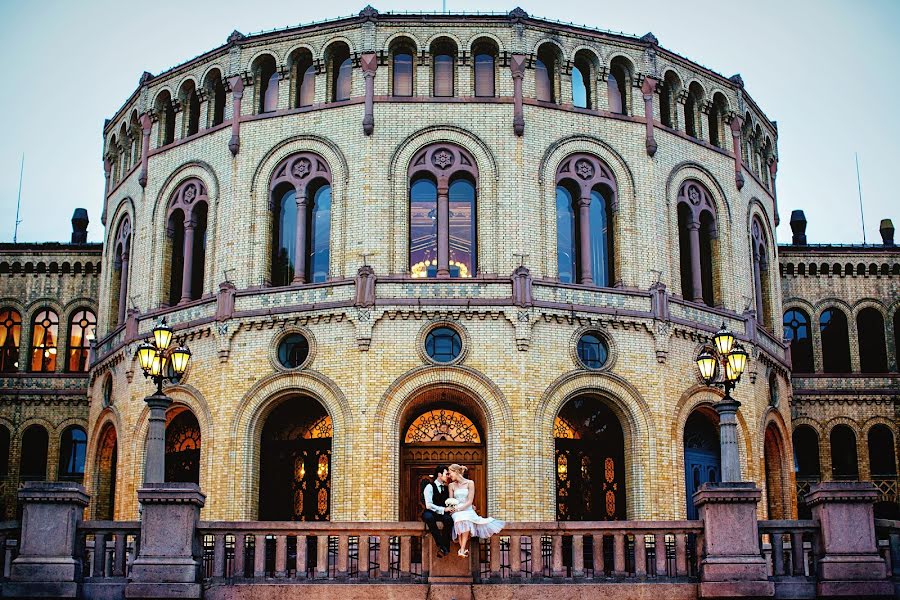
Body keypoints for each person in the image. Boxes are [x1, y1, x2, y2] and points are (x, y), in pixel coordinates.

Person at [447, 463, 504, 557]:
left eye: (450, 473)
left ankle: (462, 549)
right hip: (456, 511)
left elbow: (469, 501)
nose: (449, 475)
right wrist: (454, 509)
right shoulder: (451, 485)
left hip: (467, 508)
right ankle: (462, 549)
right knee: (459, 519)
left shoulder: (470, 483)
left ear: (456, 472)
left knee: (465, 519)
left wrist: (459, 509)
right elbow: (451, 500)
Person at [422, 464, 454, 557]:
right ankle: (440, 544)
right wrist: (443, 509)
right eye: (446, 474)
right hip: (431, 511)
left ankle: (445, 547)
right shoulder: (429, 486)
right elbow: (428, 505)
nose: (448, 476)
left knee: (448, 520)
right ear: (439, 474)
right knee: (429, 517)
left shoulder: (446, 487)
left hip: (442, 512)